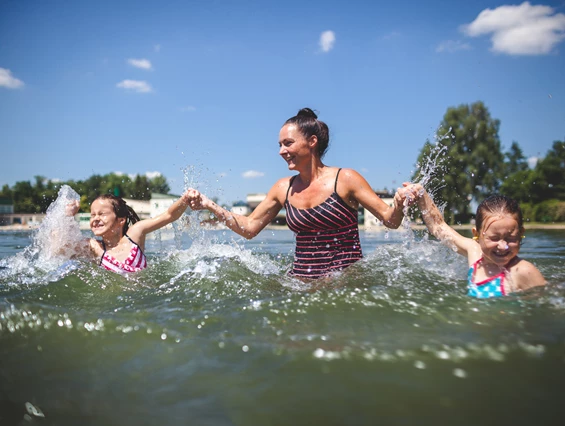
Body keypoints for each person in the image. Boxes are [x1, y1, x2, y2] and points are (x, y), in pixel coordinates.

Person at [186, 107, 418, 279]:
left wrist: (399, 204)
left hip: (344, 285)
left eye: (287, 143)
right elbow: (249, 228)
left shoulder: (345, 179)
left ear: (312, 142)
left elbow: (390, 220)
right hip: (299, 283)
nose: (281, 151)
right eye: (279, 145)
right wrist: (209, 205)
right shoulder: (282, 188)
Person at [410, 184, 545, 297]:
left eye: (511, 238)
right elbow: (438, 227)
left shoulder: (523, 271)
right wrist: (421, 193)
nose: (503, 246)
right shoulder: (475, 253)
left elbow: (546, 307)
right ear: (477, 234)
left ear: (521, 233)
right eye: (494, 238)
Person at [65, 192, 191, 274]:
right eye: (93, 215)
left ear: (121, 220)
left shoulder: (135, 235)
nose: (95, 219)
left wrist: (185, 198)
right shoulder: (94, 247)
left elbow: (169, 215)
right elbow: (60, 248)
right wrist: (67, 215)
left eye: (102, 214)